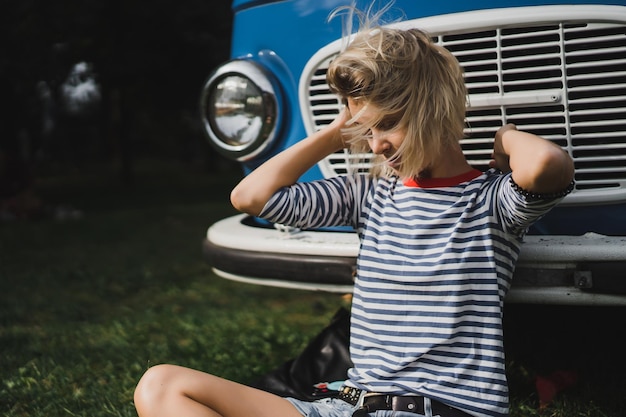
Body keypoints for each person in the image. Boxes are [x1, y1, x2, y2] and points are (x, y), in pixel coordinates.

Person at [133, 16, 575, 417]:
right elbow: (250, 197)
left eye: (388, 125)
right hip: (348, 407)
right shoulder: (366, 196)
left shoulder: (488, 201)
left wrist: (507, 135)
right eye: (367, 130)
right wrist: (332, 135)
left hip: (441, 409)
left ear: (431, 109)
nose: (375, 145)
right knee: (161, 386)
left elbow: (546, 166)